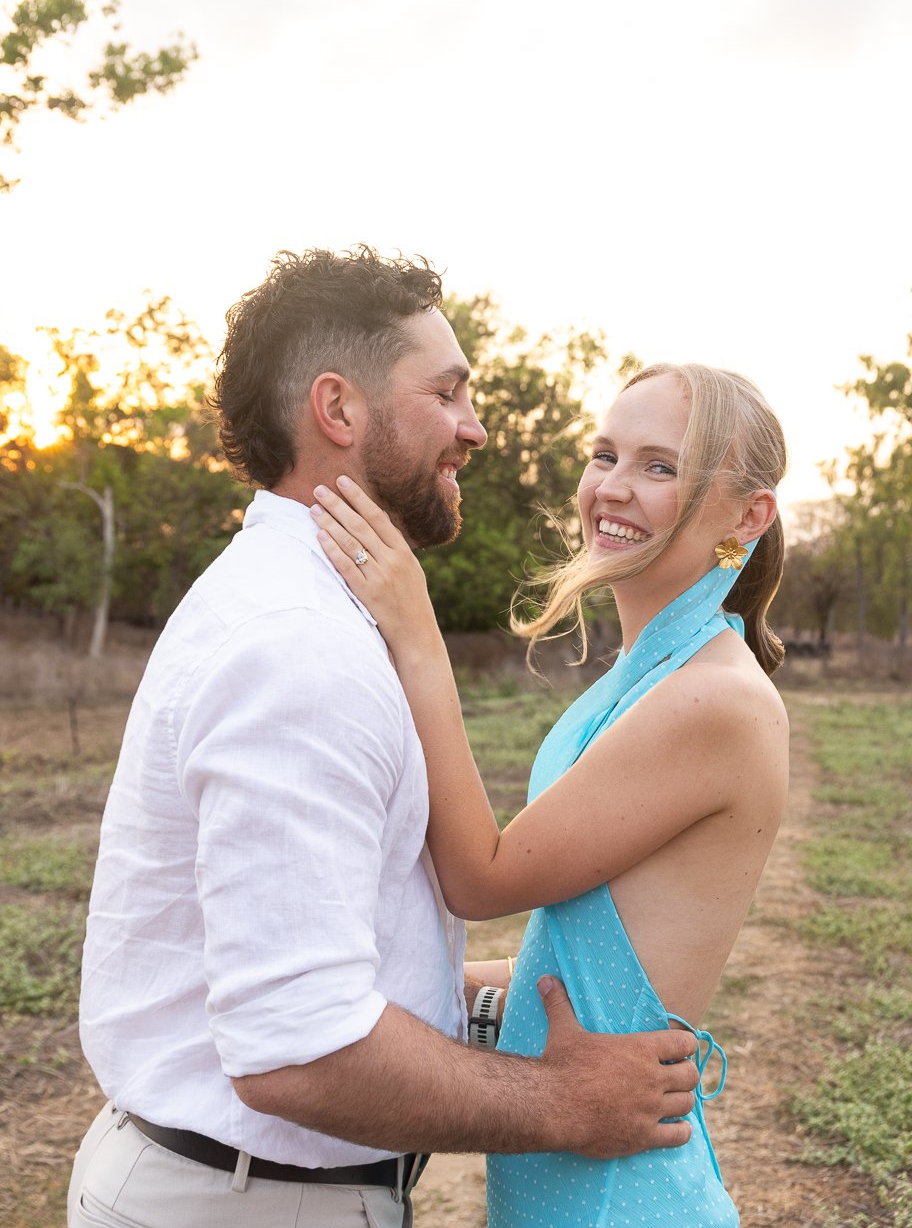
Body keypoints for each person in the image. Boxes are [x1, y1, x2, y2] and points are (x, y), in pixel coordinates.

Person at [68, 248, 700, 1228]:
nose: (475, 428)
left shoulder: (299, 607)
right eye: (446, 393)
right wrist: (576, 1103)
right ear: (340, 411)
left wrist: (515, 1003)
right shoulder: (299, 651)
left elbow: (328, 943)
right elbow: (301, 1048)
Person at [311, 359, 791, 1227]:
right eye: (605, 454)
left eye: (659, 465)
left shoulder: (715, 699)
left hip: (620, 1197)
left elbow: (481, 878)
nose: (610, 486)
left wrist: (415, 630)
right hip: (569, 1166)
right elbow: (579, 957)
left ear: (748, 515)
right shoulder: (648, 677)